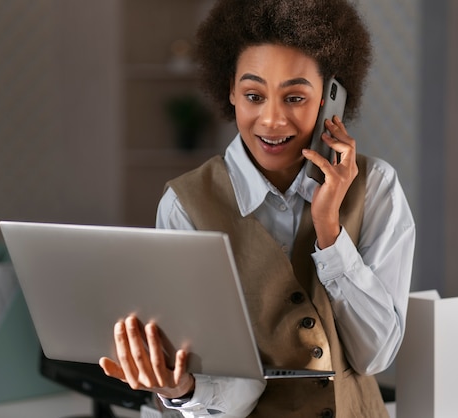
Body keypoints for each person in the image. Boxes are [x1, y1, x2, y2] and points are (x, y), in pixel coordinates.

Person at [99, 0, 415, 416]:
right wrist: (183, 388)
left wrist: (329, 232)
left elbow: (374, 356)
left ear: (329, 97)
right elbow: (228, 389)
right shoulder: (185, 205)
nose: (271, 120)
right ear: (230, 90)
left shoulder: (376, 187)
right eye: (253, 95)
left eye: (295, 98)